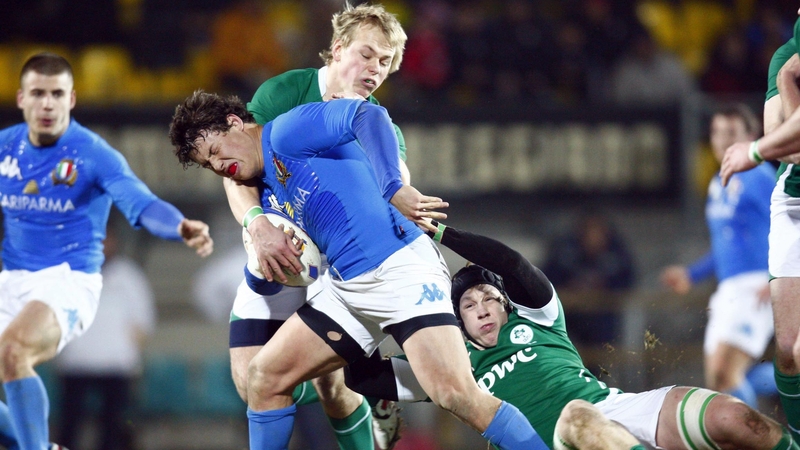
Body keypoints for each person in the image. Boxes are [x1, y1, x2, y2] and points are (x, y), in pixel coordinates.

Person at [168, 91, 548, 450]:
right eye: (208, 164)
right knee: (264, 378)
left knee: (457, 395)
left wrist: (393, 185)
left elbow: (368, 114)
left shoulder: (285, 132)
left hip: (401, 270)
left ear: (236, 122)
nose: (219, 166)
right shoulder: (259, 183)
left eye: (215, 151)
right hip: (347, 288)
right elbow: (242, 197)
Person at [343, 221, 800, 450]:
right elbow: (360, 376)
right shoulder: (446, 368)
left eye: (489, 299)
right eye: (468, 305)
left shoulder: (539, 317)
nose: (482, 310)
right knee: (577, 423)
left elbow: (514, 265)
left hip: (610, 409)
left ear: (505, 303)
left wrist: (442, 232)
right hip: (557, 439)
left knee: (736, 419)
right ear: (456, 320)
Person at [222, 4, 433, 449]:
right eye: (368, 55)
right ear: (337, 50)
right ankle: (375, 382)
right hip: (276, 255)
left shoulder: (379, 125)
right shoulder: (285, 91)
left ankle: (370, 392)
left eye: (386, 63)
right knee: (251, 384)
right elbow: (236, 169)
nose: (376, 70)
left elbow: (394, 192)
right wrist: (258, 225)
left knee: (331, 389)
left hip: (332, 271)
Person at [0, 53, 213, 450]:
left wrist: (178, 226)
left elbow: (141, 202)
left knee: (13, 351)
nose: (48, 103)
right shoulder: (5, 149)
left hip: (66, 282)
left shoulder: (93, 154)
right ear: (21, 99)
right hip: (11, 280)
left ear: (72, 100)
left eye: (57, 94)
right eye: (38, 93)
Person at [661, 104, 776, 409]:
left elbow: (794, 223)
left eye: (731, 133)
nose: (722, 140)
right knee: (719, 382)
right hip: (728, 289)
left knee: (726, 375)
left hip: (757, 285)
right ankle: (788, 381)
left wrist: (778, 276)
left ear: (752, 137)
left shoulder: (760, 174)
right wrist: (692, 275)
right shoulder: (718, 183)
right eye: (716, 132)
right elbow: (725, 245)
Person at [720, 12, 800, 440]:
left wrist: (755, 150)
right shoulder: (786, 55)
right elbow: (788, 149)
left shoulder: (790, 69)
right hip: (794, 203)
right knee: (787, 353)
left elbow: (779, 141)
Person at [55, 220, 157, 450]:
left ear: (113, 241)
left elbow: (143, 321)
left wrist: (129, 354)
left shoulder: (129, 276)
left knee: (113, 428)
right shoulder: (68, 275)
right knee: (70, 427)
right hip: (75, 365)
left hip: (116, 367)